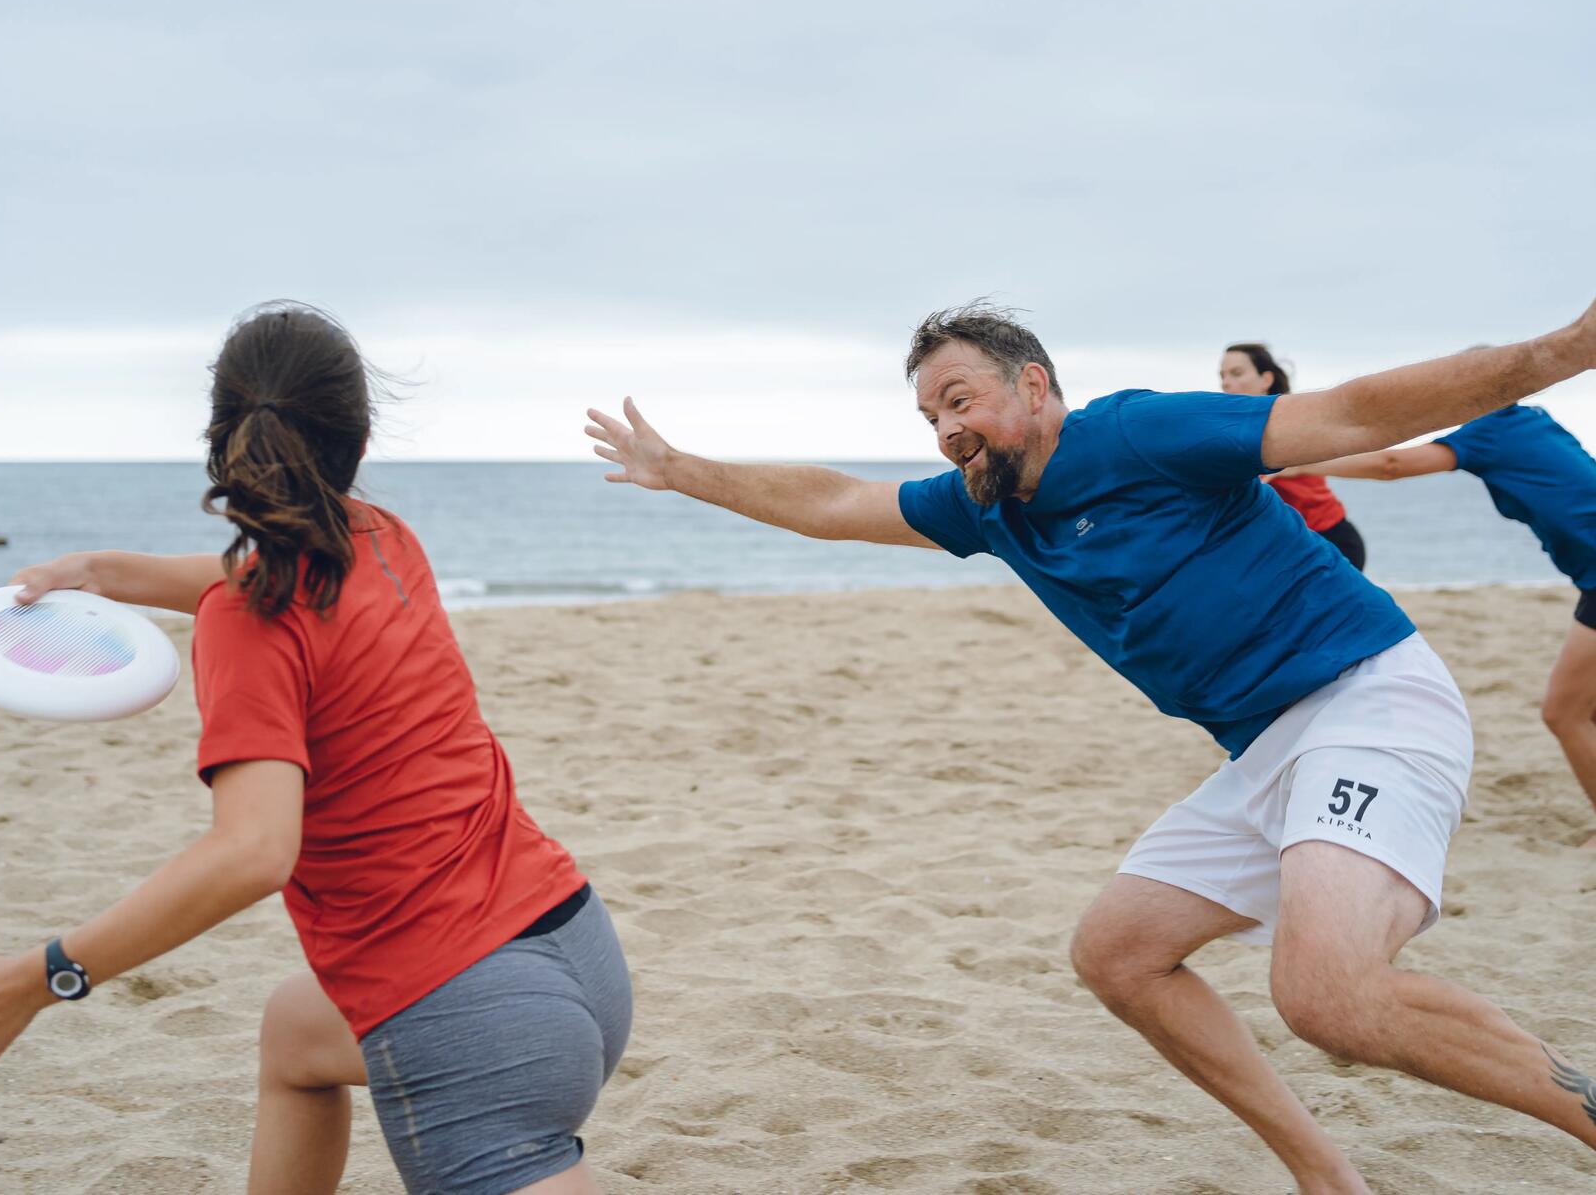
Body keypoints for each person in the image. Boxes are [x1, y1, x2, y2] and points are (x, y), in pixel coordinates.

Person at [586, 298, 1596, 1194]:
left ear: (1033, 385)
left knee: (1328, 996)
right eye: (931, 416)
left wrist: (1565, 347)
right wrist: (682, 472)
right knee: (1119, 955)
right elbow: (835, 504)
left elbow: (1351, 413)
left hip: (1367, 699)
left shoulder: (1139, 433)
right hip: (1266, 743)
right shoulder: (990, 507)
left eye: (960, 398)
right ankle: (1325, 1172)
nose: (948, 430)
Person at [0, 303, 632, 1195]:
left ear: (221, 436)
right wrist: (108, 571)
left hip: (468, 1014)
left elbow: (253, 850)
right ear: (358, 432)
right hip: (578, 955)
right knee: (297, 1033)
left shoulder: (249, 620)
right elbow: (257, 576)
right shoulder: (385, 540)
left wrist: (43, 977)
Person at [1283, 401, 1596, 848]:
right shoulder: (1534, 421)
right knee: (1588, 709)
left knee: (1564, 714)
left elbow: (1391, 464)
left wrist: (1293, 465)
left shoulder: (1491, 430)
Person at [1219, 342, 1367, 571]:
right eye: (1222, 376)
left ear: (1266, 380)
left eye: (1236, 373)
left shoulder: (1288, 424)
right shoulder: (1238, 429)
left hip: (1331, 538)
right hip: (1289, 542)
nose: (1226, 383)